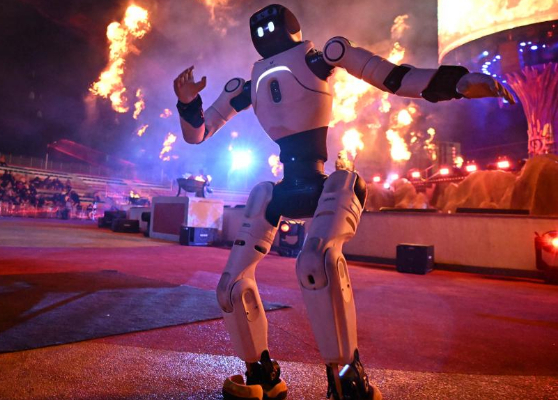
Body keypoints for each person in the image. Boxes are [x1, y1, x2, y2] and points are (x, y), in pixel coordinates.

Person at [173, 4, 514, 400]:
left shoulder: (323, 57)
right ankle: (260, 375)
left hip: (329, 184)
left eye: (271, 25)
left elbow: (394, 77)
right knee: (230, 286)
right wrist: (188, 103)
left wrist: (458, 82)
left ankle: (348, 380)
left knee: (316, 262)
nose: (265, 32)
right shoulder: (247, 86)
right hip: (284, 187)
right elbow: (198, 134)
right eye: (258, 28)